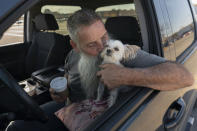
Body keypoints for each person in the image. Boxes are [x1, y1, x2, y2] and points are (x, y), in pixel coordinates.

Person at [6, 9, 194, 131]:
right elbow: (69, 83)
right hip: (71, 112)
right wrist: (60, 95)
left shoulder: (122, 52)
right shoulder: (71, 57)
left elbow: (184, 77)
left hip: (105, 120)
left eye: (104, 36)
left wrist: (126, 75)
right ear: (75, 46)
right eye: (91, 44)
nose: (103, 46)